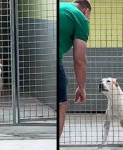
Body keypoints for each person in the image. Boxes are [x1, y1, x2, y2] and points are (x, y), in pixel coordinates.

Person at [59, 0, 92, 137]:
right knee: (61, 105)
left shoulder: (61, 6)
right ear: (87, 11)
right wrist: (81, 87)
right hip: (54, 61)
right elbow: (80, 60)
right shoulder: (81, 18)